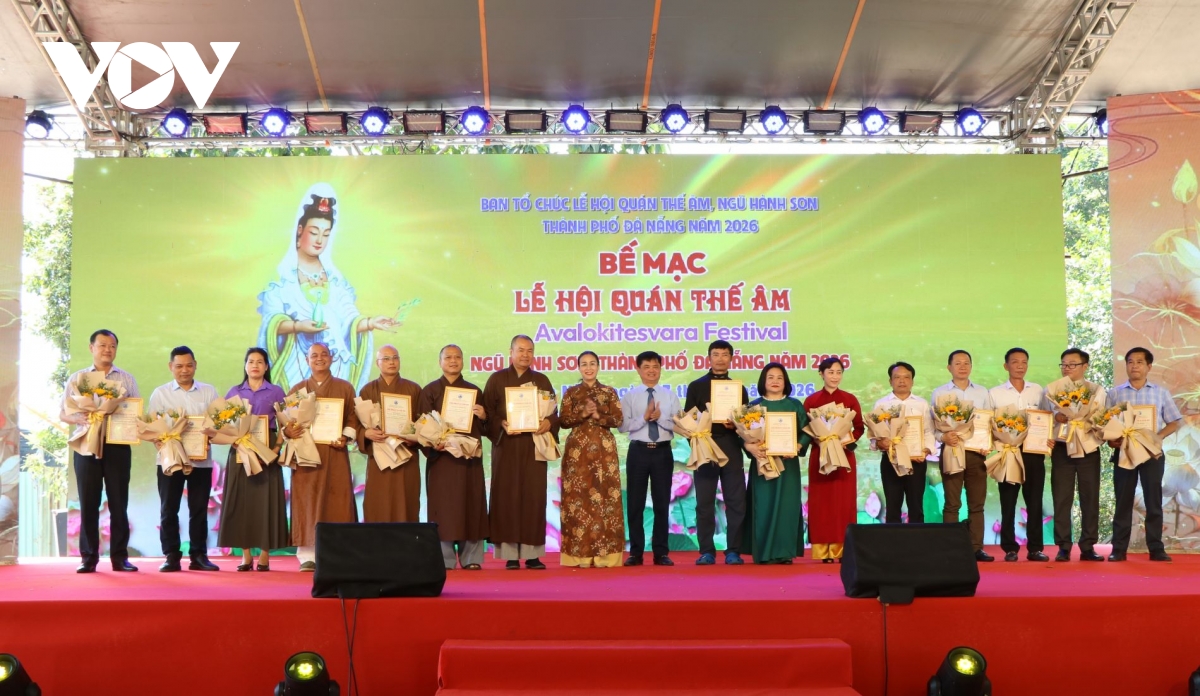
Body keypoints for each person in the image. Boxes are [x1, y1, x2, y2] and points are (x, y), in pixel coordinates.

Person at [257, 184, 400, 393]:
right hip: (297, 363)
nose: (319, 240)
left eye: (325, 234)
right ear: (300, 230)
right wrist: (298, 326)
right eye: (314, 232)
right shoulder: (282, 277)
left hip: (335, 363)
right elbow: (271, 322)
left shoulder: (335, 278)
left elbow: (348, 319)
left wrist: (371, 323)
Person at [60, 329, 141, 574]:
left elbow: (135, 411)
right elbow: (63, 413)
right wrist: (79, 418)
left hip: (117, 445)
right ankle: (88, 558)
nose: (108, 350)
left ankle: (120, 557)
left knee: (119, 502)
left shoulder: (126, 379)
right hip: (86, 444)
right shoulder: (78, 378)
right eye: (103, 345)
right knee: (88, 502)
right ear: (91, 348)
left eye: (112, 346)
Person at [482, 335, 560, 569]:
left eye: (529, 351)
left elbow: (554, 413)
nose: (525, 355)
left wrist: (549, 423)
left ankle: (532, 554)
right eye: (521, 350)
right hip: (506, 446)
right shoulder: (497, 379)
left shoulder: (541, 380)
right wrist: (501, 423)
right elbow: (487, 414)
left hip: (533, 446)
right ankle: (511, 555)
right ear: (511, 352)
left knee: (533, 498)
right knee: (507, 497)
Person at [283, 342, 360, 571]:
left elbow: (352, 417)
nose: (319, 358)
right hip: (306, 454)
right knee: (306, 500)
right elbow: (288, 421)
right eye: (314, 355)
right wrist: (288, 431)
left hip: (334, 453)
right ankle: (308, 555)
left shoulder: (345, 388)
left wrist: (345, 436)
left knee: (338, 500)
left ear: (332, 358)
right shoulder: (298, 390)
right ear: (307, 360)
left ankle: (339, 553)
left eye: (324, 354)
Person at [147, 346, 220, 572]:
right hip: (170, 461)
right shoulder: (160, 394)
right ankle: (171, 556)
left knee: (199, 509)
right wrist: (159, 440)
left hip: (201, 461)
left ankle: (198, 555)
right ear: (171, 367)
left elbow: (218, 424)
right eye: (179, 366)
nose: (184, 370)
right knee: (169, 509)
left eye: (189, 365)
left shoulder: (209, 392)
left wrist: (211, 434)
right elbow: (152, 428)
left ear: (195, 365)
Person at [1106, 347, 1182, 562]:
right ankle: (1118, 549)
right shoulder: (1115, 393)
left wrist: (1157, 437)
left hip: (1151, 454)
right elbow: (1105, 422)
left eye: (1139, 362)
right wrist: (1111, 439)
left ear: (1149, 366)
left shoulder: (1160, 393)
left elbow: (1175, 421)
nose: (1134, 366)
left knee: (1153, 500)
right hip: (1124, 452)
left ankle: (1156, 548)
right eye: (1130, 362)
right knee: (1123, 501)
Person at [417, 345, 489, 570]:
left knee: (472, 504)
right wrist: (433, 443)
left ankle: (471, 558)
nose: (453, 360)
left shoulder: (474, 391)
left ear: (463, 361)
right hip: (443, 459)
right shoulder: (430, 391)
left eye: (458, 357)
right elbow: (422, 424)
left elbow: (486, 427)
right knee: (443, 507)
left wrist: (484, 416)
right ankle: (444, 559)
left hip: (468, 458)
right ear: (440, 362)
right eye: (448, 357)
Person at [217, 348, 289, 572]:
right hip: (240, 450)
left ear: (266, 367)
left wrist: (276, 448)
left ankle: (265, 555)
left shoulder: (276, 391)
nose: (255, 365)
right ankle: (246, 556)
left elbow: (286, 423)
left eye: (260, 362)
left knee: (267, 501)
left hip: (268, 450)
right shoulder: (235, 392)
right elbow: (224, 425)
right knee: (242, 502)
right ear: (245, 366)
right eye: (251, 361)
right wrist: (234, 441)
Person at [684, 340, 749, 565]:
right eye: (716, 354)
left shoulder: (739, 389)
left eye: (725, 354)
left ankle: (733, 551)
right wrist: (698, 439)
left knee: (736, 501)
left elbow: (746, 424)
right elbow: (688, 420)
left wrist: (736, 426)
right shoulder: (696, 386)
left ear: (731, 358)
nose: (720, 359)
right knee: (704, 502)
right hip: (705, 446)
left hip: (731, 446)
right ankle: (706, 551)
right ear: (709, 358)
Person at [558, 351, 625, 568]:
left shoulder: (609, 392)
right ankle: (580, 557)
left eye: (592, 363)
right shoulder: (571, 392)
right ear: (579, 368)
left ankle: (606, 557)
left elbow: (618, 420)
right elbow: (563, 421)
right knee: (578, 501)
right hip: (578, 454)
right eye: (584, 364)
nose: (588, 368)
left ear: (598, 366)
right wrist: (583, 414)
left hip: (604, 454)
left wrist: (598, 416)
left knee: (606, 500)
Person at [1041, 348, 1108, 562]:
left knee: (1090, 497)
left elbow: (1102, 417)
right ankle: (1063, 546)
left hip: (1088, 448)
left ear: (1085, 366)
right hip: (1062, 448)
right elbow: (1042, 418)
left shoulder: (1096, 390)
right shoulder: (1051, 390)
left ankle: (1088, 546)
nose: (1067, 368)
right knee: (1062, 498)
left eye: (1072, 364)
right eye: (1064, 364)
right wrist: (1056, 417)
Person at [742, 363, 810, 564]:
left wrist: (798, 445)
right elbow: (742, 435)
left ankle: (784, 552)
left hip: (788, 466)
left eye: (779, 377)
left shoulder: (795, 405)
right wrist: (749, 446)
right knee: (763, 506)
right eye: (770, 377)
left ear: (785, 381)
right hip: (763, 464)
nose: (775, 381)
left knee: (787, 507)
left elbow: (807, 431)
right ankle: (763, 553)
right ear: (763, 381)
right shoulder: (753, 407)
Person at [932, 350, 996, 562]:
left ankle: (976, 547)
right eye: (957, 363)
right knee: (952, 503)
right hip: (951, 451)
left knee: (977, 504)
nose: (962, 366)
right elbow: (933, 427)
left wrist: (988, 443)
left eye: (966, 363)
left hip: (976, 454)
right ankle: (951, 548)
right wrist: (943, 436)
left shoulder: (982, 392)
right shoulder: (939, 393)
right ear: (949, 367)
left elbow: (989, 422)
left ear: (971, 366)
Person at [619, 350, 681, 567]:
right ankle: (635, 552)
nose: (651, 371)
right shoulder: (630, 396)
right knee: (635, 503)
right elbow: (622, 426)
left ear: (660, 369)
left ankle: (661, 552)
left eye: (655, 367)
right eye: (646, 367)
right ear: (638, 369)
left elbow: (679, 425)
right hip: (638, 451)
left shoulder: (670, 396)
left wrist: (660, 418)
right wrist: (644, 418)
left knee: (662, 502)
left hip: (662, 452)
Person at [989, 348, 1049, 562]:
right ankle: (1010, 548)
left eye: (1024, 362)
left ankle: (1035, 548)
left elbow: (1046, 419)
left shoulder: (1037, 390)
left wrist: (1048, 438)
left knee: (1035, 501)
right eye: (1015, 362)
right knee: (1008, 501)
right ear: (1006, 366)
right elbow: (990, 424)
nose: (1020, 366)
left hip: (1034, 452)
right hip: (1008, 452)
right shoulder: (995, 393)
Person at [804, 357, 865, 563]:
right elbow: (805, 429)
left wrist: (845, 441)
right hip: (820, 456)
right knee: (821, 502)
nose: (835, 376)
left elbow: (859, 427)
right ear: (821, 374)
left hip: (844, 456)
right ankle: (823, 551)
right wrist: (820, 439)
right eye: (830, 372)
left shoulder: (849, 399)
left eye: (839, 372)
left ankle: (843, 549)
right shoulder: (811, 401)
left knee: (843, 502)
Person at [357, 345, 422, 522]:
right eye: (386, 359)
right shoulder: (367, 390)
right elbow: (357, 424)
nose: (391, 362)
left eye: (395, 358)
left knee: (406, 502)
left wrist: (414, 437)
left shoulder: (414, 389)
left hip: (406, 455)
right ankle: (378, 540)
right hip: (380, 457)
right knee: (379, 503)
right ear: (377, 363)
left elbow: (422, 420)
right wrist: (366, 433)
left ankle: (406, 540)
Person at [870, 362, 935, 523]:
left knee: (916, 506)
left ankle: (917, 539)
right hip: (891, 461)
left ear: (912, 381)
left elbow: (929, 431)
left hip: (916, 461)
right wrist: (879, 443)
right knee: (893, 506)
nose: (902, 381)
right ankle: (893, 539)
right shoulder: (881, 404)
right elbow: (874, 434)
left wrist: (926, 450)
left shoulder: (921, 404)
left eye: (906, 377)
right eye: (897, 377)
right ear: (890, 381)